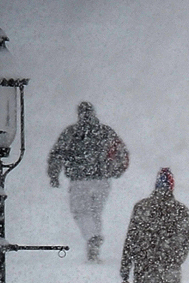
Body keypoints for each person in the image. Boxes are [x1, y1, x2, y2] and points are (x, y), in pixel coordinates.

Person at [47, 102, 128, 262]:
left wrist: (54, 174)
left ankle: (92, 238)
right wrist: (117, 170)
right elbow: (121, 152)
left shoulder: (71, 132)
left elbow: (57, 154)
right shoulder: (106, 131)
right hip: (102, 180)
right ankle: (94, 246)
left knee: (81, 212)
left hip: (80, 180)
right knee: (95, 212)